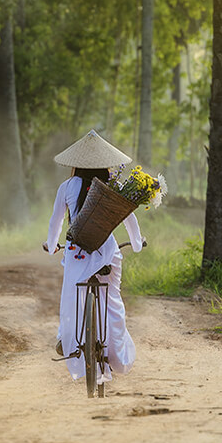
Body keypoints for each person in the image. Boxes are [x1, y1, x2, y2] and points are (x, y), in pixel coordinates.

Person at [44, 130, 144, 384]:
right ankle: (114, 353)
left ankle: (66, 338)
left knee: (71, 297)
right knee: (111, 300)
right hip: (106, 252)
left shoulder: (66, 187)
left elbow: (55, 223)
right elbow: (129, 219)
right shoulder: (114, 187)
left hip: (77, 252)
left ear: (77, 163)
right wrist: (137, 244)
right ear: (106, 163)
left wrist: (52, 244)